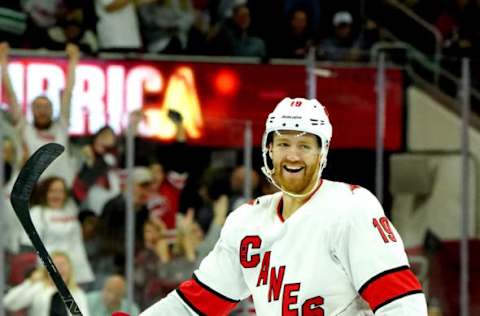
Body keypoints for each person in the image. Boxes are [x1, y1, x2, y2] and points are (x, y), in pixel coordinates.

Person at [140, 97, 428, 315]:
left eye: (305, 146)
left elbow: (402, 303)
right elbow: (196, 303)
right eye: (284, 144)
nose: (293, 155)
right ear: (269, 150)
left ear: (321, 154)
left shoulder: (351, 208)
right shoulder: (246, 220)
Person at [0, 41, 80, 186]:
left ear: (52, 110)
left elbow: (68, 93)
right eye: (38, 106)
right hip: (33, 193)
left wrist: (73, 61)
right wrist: (3, 61)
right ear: (31, 110)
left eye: (46, 106)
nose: (42, 110)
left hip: (62, 192)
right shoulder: (26, 129)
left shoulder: (61, 127)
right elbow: (11, 96)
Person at [3, 251, 90, 316]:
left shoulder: (77, 294)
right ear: (47, 270)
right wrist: (30, 282)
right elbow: (9, 303)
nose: (59, 268)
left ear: (70, 270)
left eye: (63, 264)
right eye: (55, 264)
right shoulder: (38, 288)